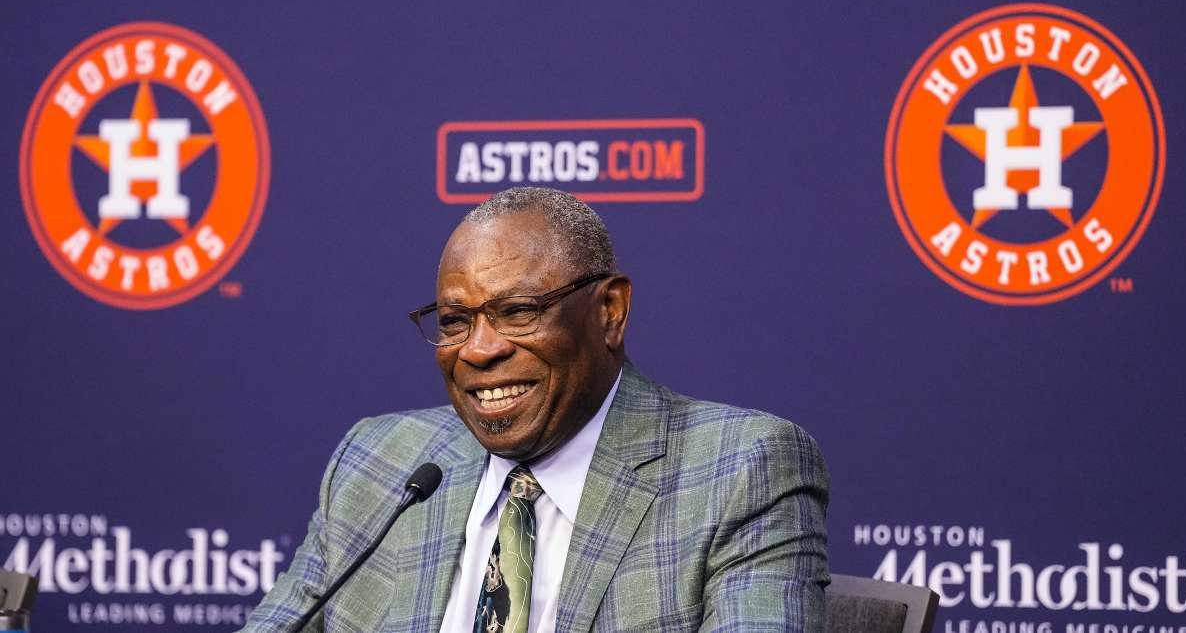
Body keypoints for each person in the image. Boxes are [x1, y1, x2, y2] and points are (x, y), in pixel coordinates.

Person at [241, 187, 830, 633]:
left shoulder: (742, 472)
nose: (478, 349)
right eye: (454, 322)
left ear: (610, 312)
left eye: (519, 312)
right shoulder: (379, 464)